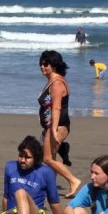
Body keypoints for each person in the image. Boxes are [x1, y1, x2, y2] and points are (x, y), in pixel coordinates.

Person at [38, 50, 81, 196]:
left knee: (47, 158)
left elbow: (56, 108)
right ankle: (50, 186)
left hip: (58, 126)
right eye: (41, 64)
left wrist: (54, 130)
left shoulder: (57, 83)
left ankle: (73, 180)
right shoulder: (52, 81)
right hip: (52, 126)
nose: (42, 67)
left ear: (54, 65)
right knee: (52, 158)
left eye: (45, 64)